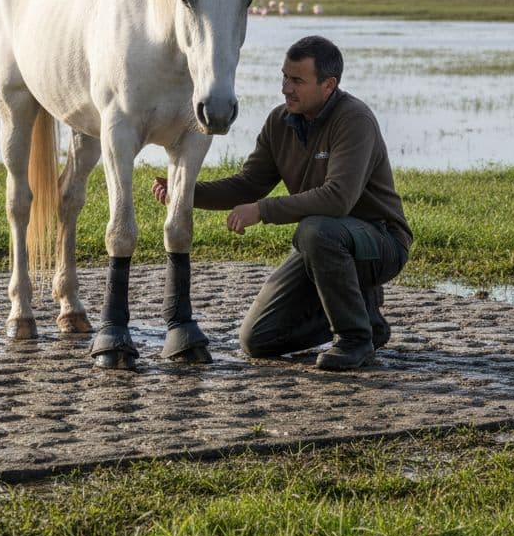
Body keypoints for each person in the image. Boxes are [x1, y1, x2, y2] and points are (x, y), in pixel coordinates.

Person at [153, 35, 412, 370]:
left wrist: (262, 211)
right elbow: (248, 183)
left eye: (297, 81)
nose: (286, 89)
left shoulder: (354, 120)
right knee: (257, 339)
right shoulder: (280, 122)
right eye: (285, 77)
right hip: (325, 245)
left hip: (379, 242)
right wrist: (185, 193)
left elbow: (338, 199)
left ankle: (355, 340)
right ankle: (362, 316)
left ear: (328, 85)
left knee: (315, 230)